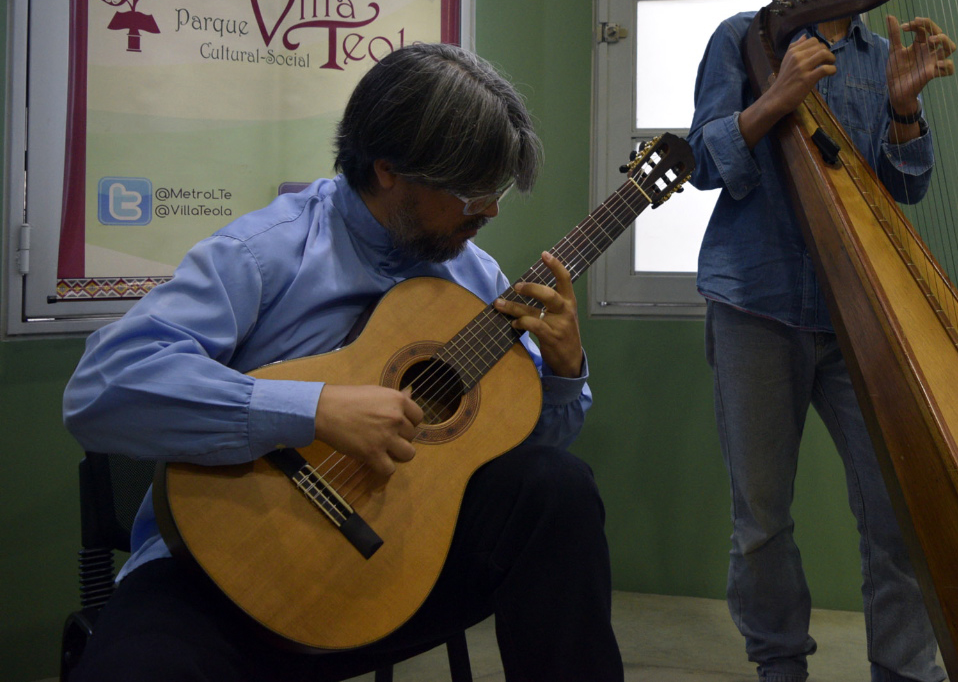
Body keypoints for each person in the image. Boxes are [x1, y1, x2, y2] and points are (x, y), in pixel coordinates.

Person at [63, 43, 625, 682]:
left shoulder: (475, 277)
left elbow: (518, 446)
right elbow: (101, 389)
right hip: (224, 568)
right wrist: (314, 410)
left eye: (495, 191)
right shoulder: (262, 253)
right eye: (471, 192)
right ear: (388, 169)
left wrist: (564, 371)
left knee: (558, 487)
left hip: (395, 558)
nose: (490, 211)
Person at [687, 0, 957, 682]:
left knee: (895, 510)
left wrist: (904, 106)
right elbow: (700, 161)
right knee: (762, 520)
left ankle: (904, 668)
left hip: (856, 318)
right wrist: (775, 99)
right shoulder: (745, 36)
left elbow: (901, 189)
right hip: (755, 303)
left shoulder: (881, 58)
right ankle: (780, 666)